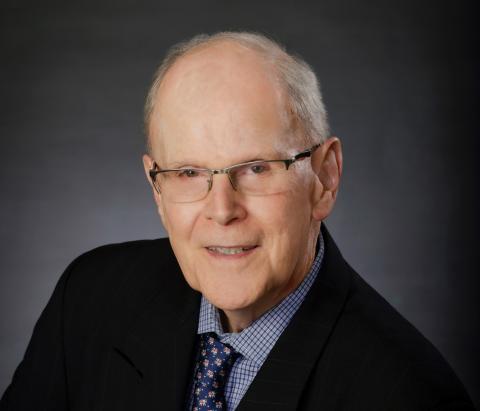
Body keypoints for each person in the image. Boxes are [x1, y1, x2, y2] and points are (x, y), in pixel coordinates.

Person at [0, 31, 474, 411]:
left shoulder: (409, 394)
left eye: (256, 168)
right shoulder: (88, 300)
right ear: (156, 188)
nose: (223, 210)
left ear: (324, 178)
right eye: (189, 173)